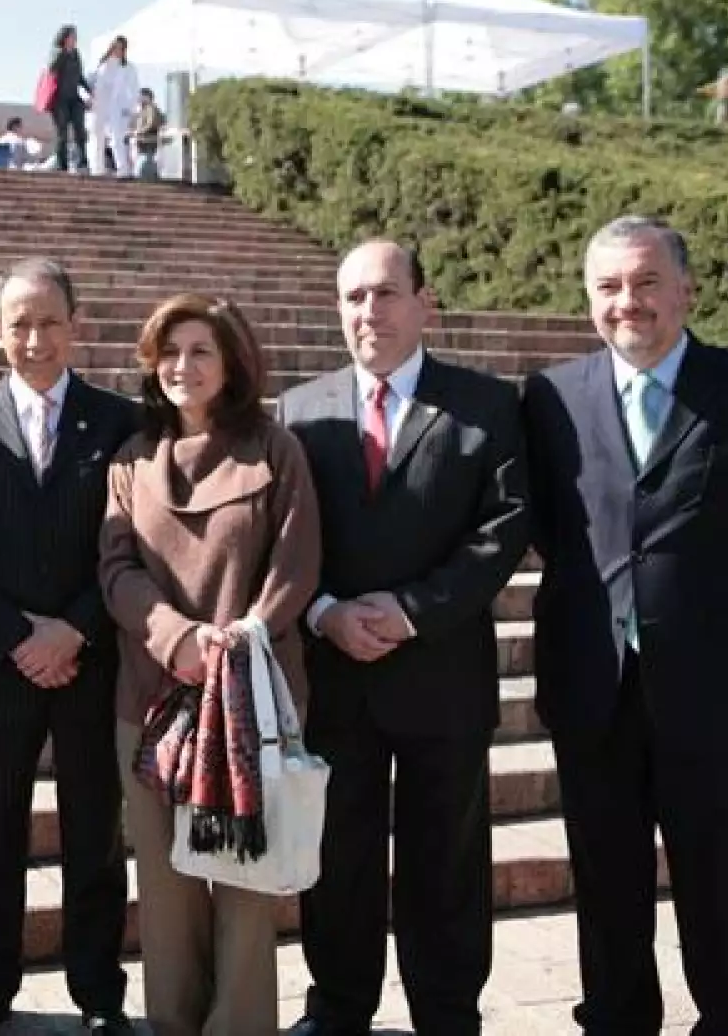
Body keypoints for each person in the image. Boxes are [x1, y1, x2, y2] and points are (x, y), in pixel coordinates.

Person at [523, 215, 728, 1034]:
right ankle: (618, 1019)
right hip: (594, 686)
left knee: (724, 886)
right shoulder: (553, 398)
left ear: (685, 290)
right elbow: (554, 533)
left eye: (644, 283)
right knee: (606, 885)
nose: (626, 302)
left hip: (716, 693)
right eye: (608, 287)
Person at [277, 241, 530, 1036]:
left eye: (385, 294)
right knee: (339, 859)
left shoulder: (486, 406)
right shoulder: (299, 411)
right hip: (336, 674)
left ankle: (448, 1013)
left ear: (426, 304)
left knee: (446, 864)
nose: (367, 313)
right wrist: (323, 612)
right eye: (352, 297)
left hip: (441, 674)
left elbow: (502, 530)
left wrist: (413, 609)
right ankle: (339, 1007)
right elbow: (276, 541)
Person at [99, 295, 322, 1036]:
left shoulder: (274, 450)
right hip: (153, 697)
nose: (181, 366)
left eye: (200, 350)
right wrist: (175, 636)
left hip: (249, 697)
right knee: (165, 887)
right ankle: (174, 1024)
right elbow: (117, 568)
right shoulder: (132, 460)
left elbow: (297, 561)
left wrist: (243, 635)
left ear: (231, 363)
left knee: (244, 881)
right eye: (169, 350)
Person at [0, 259, 139, 1036]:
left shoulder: (121, 422)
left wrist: (76, 628)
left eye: (50, 321)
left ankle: (97, 993)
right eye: (18, 323)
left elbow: (134, 542)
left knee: (93, 831)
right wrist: (19, 635)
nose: (35, 337)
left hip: (92, 660)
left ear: (76, 326)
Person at [86, 36, 139, 178]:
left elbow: (133, 89)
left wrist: (131, 108)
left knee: (117, 138)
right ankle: (97, 167)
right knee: (97, 135)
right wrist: (88, 99)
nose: (118, 51)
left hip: (117, 106)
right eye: (116, 47)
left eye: (121, 48)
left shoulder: (128, 68)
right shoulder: (101, 66)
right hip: (99, 104)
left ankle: (123, 168)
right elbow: (89, 83)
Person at [44, 26, 89, 174]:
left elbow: (79, 75)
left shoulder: (76, 54)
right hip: (59, 99)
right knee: (62, 133)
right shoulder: (56, 52)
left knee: (80, 131)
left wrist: (89, 89)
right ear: (64, 38)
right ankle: (61, 164)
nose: (75, 40)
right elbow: (52, 68)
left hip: (74, 98)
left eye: (75, 37)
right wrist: (63, 52)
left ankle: (83, 162)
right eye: (72, 36)